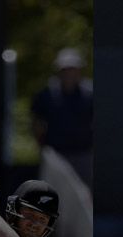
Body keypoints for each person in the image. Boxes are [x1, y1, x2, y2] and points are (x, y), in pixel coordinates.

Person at [31, 48, 94, 187]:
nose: (69, 73)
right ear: (59, 70)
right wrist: (42, 149)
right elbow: (36, 122)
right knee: (52, 194)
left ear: (79, 70)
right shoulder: (47, 94)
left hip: (83, 155)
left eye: (72, 68)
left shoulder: (90, 94)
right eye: (65, 69)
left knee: (85, 194)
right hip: (55, 155)